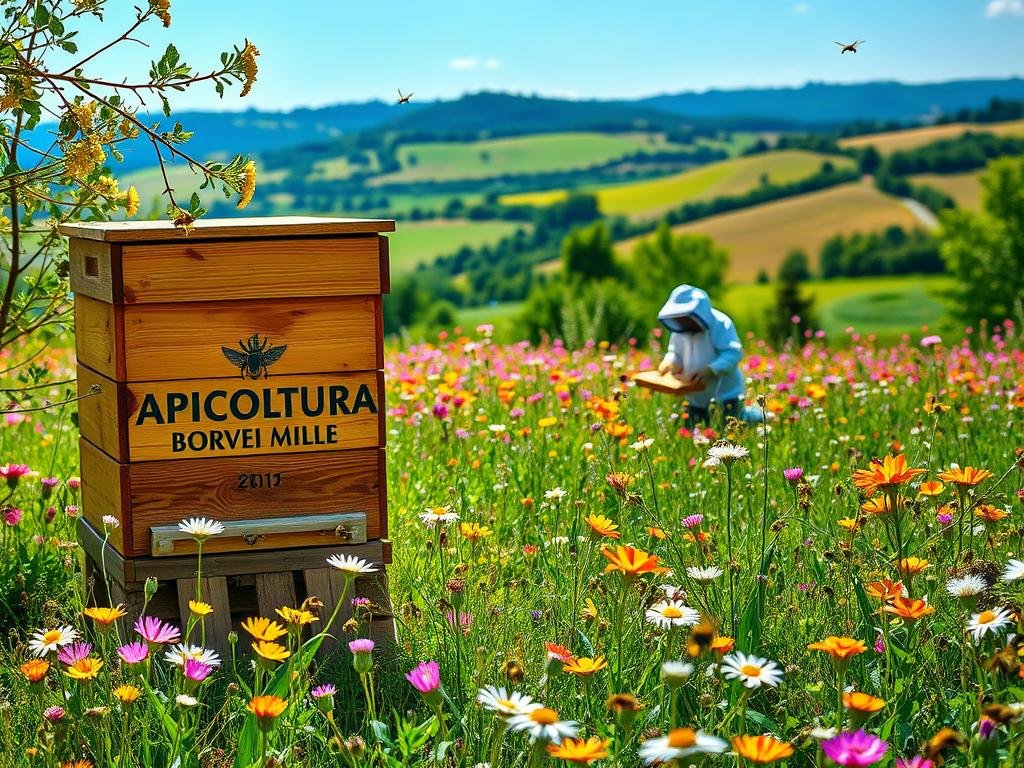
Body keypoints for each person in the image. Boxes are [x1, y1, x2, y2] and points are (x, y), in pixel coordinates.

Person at [656, 284, 763, 425]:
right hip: (694, 397)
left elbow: (732, 354)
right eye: (678, 317)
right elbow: (676, 353)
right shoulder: (680, 330)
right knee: (696, 436)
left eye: (685, 317)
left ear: (699, 312)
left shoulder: (721, 323)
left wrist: (709, 370)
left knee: (727, 434)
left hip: (726, 395)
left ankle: (758, 418)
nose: (681, 321)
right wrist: (669, 363)